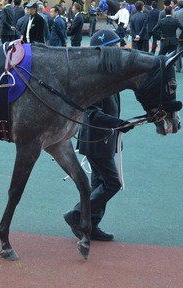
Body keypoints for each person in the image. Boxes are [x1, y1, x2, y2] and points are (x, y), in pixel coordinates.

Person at [63, 30, 134, 242]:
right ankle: (76, 214)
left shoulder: (109, 75)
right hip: (96, 141)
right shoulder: (97, 79)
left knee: (99, 184)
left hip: (103, 140)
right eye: (116, 46)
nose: (120, 49)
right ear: (105, 51)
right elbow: (92, 113)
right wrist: (117, 124)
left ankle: (91, 225)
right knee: (112, 183)